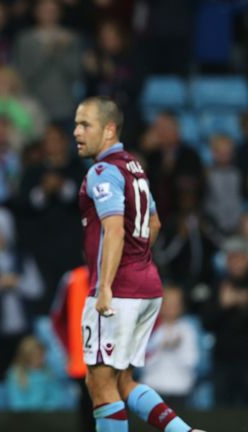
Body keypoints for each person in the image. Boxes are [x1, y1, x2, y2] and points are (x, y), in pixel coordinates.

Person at [74, 96, 201, 432]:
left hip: (118, 291)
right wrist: (138, 260)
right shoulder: (134, 168)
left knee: (100, 385)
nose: (77, 132)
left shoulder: (103, 171)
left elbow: (114, 229)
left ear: (109, 129)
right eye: (76, 123)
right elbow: (155, 223)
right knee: (124, 381)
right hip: (147, 286)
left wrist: (105, 287)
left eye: (85, 124)